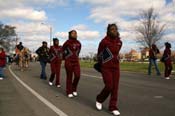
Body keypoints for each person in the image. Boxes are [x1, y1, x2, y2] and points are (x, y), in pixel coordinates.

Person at [95, 24, 122, 116]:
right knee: (109, 86)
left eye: (115, 29)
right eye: (111, 29)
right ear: (108, 31)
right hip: (106, 67)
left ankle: (113, 107)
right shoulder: (104, 42)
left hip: (116, 67)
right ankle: (99, 99)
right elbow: (99, 55)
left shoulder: (119, 42)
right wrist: (102, 64)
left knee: (115, 88)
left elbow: (117, 53)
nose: (114, 31)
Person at [62, 30, 81, 98]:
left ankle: (74, 89)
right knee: (69, 77)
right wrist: (65, 58)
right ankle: (69, 91)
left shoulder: (79, 43)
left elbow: (78, 51)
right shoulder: (67, 42)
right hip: (68, 61)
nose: (75, 34)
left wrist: (75, 57)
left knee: (77, 76)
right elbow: (62, 50)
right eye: (73, 33)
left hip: (76, 62)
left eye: (76, 33)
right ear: (70, 35)